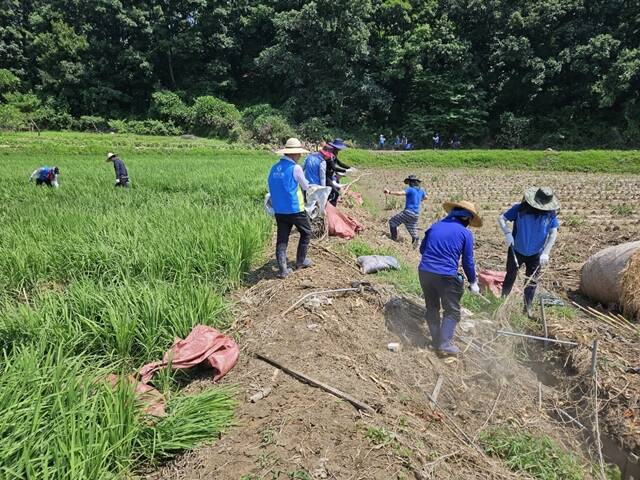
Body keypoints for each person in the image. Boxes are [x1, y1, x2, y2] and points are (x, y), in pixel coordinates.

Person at [418, 201, 482, 356]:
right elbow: (468, 262)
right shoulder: (465, 233)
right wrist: (473, 282)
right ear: (466, 218)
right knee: (452, 311)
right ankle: (445, 344)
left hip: (425, 271)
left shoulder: (435, 226)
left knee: (432, 307)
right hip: (446, 275)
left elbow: (422, 249)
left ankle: (435, 342)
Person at [498, 187, 560, 317]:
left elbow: (553, 233)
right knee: (510, 276)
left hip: (536, 253)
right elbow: (502, 218)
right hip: (517, 250)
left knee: (532, 281)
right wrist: (507, 232)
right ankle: (502, 303)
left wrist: (546, 252)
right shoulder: (520, 209)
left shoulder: (550, 215)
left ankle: (528, 308)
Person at [267, 138, 313, 278]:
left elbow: (272, 186)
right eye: (299, 154)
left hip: (279, 210)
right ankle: (300, 261)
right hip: (295, 209)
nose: (300, 156)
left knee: (282, 239)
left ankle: (283, 270)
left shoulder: (274, 168)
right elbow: (305, 186)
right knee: (306, 232)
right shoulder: (296, 168)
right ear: (294, 154)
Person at [383, 175, 427, 247]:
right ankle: (416, 244)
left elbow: (400, 193)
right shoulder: (421, 191)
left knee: (392, 222)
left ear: (411, 182)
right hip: (416, 215)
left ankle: (393, 239)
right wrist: (419, 199)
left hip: (408, 212)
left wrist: (389, 192)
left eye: (409, 182)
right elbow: (426, 197)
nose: (409, 184)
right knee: (412, 230)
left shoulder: (410, 189)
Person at [324, 138, 351, 206]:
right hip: (326, 175)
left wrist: (349, 167)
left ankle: (329, 204)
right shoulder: (330, 154)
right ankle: (332, 208)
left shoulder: (335, 153)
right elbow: (334, 167)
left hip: (330, 175)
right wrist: (345, 170)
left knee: (336, 189)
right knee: (335, 193)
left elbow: (338, 162)